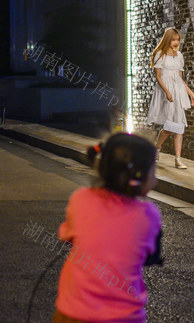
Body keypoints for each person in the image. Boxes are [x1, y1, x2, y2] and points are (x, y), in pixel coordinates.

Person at [54, 133, 162, 323]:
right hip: (124, 317)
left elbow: (66, 234)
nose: (155, 179)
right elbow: (150, 254)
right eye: (153, 171)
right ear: (137, 177)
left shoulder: (80, 200)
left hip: (73, 313)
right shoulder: (148, 215)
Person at [145, 27, 194, 169]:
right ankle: (156, 148)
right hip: (166, 92)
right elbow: (158, 76)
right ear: (168, 39)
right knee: (169, 127)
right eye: (173, 39)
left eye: (178, 40)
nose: (176, 42)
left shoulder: (179, 56)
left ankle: (178, 159)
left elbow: (180, 79)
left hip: (178, 92)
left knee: (179, 125)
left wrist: (190, 93)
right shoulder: (159, 54)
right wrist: (167, 91)